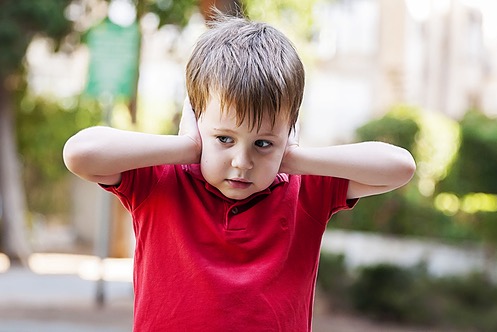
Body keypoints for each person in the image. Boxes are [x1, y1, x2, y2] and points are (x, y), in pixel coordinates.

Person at [63, 11, 416, 332]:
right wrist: (188, 146)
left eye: (262, 143)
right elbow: (81, 153)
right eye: (224, 139)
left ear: (288, 136)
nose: (242, 162)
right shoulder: (160, 182)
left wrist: (291, 158)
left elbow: (400, 167)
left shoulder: (305, 192)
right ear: (196, 122)